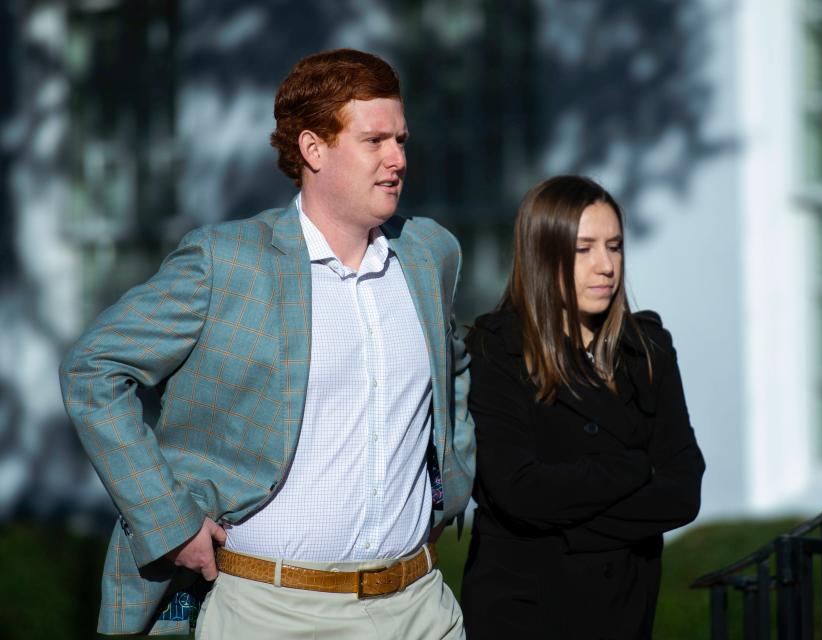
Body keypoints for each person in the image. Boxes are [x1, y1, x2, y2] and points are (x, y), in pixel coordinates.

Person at [59, 49, 475, 639]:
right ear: (313, 149)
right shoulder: (226, 262)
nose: (398, 160)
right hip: (271, 611)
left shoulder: (430, 253)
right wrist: (168, 519)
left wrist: (447, 487)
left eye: (401, 140)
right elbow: (93, 370)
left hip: (419, 606)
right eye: (375, 140)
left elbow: (454, 364)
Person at [461, 175, 705, 639]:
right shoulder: (498, 351)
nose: (606, 266)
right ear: (542, 254)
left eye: (614, 247)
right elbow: (520, 492)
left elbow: (683, 491)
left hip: (623, 610)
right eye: (583, 249)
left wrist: (565, 529)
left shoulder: (646, 350)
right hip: (524, 613)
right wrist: (635, 468)